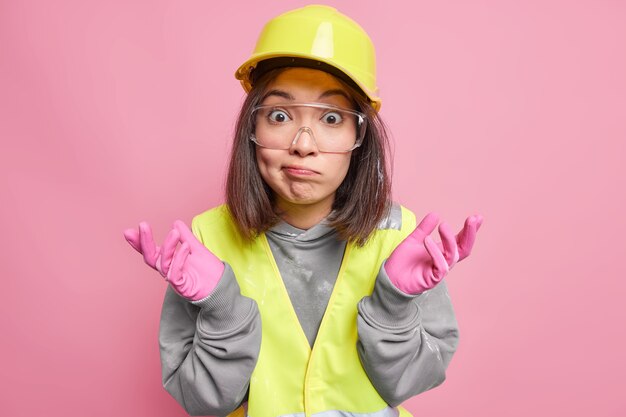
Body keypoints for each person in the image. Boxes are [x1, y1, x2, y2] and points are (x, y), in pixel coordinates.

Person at [124, 5, 483, 417]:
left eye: (332, 118)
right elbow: (204, 404)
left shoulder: (402, 237)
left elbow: (411, 384)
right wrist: (221, 308)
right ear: (252, 130)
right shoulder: (204, 242)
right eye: (279, 115)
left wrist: (393, 305)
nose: (303, 143)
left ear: (359, 137)